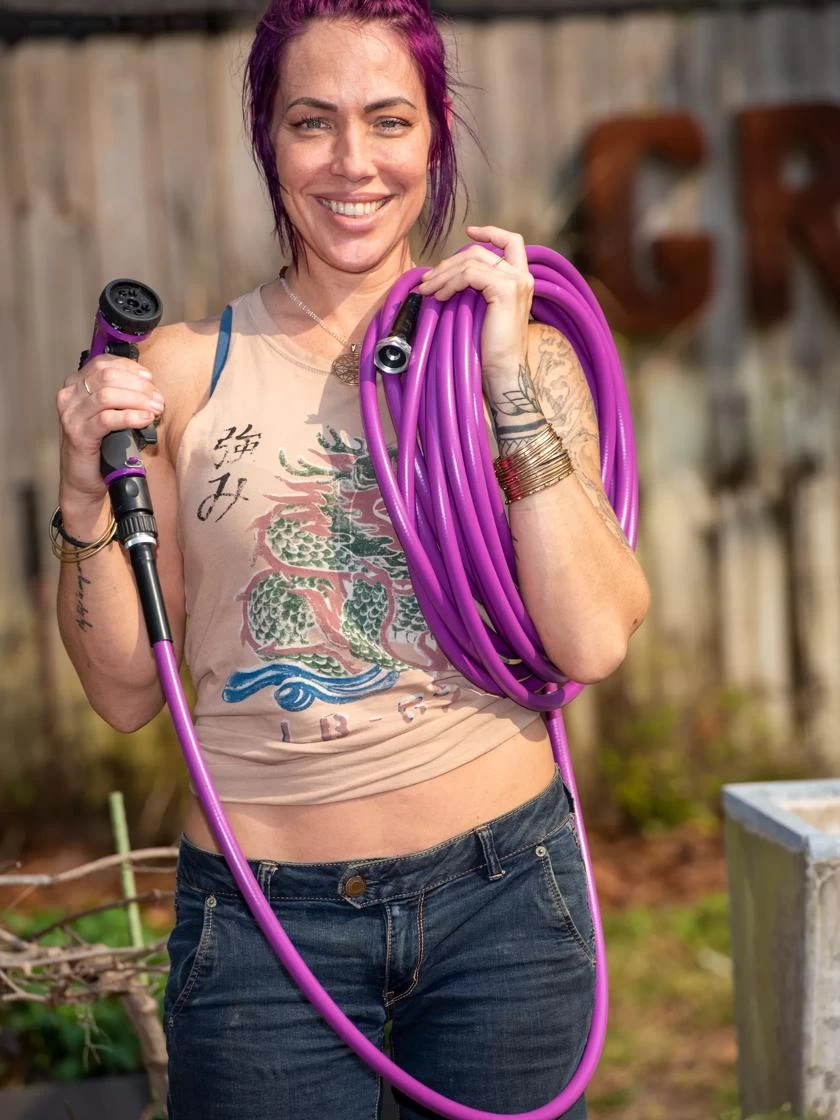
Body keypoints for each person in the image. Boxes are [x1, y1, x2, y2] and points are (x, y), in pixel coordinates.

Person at [54, 1, 650, 1117]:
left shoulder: (513, 351)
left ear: (435, 137)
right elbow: (127, 692)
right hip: (262, 931)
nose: (352, 162)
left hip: (504, 907)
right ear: (267, 141)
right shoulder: (184, 369)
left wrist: (504, 380)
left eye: (388, 120)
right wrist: (85, 491)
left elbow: (593, 637)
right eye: (311, 122)